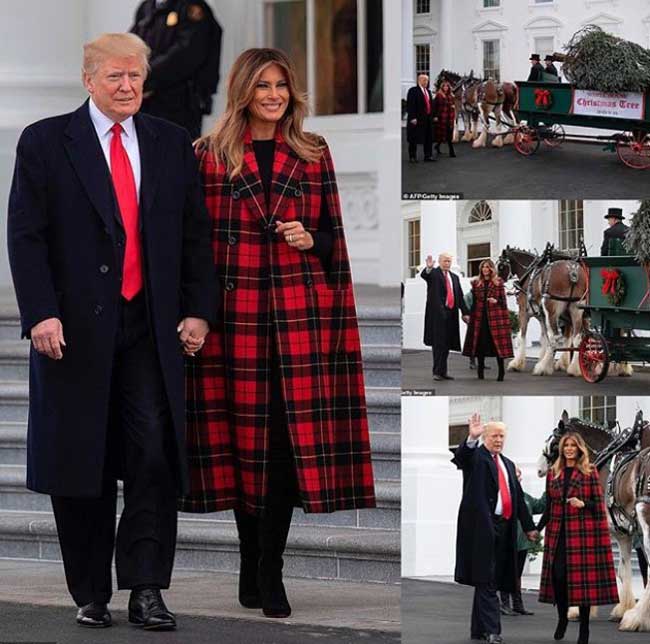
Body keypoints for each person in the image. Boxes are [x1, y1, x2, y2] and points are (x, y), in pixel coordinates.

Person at [7, 33, 217, 630]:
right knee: (84, 462)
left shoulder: (171, 143)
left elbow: (194, 236)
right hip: (70, 332)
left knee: (153, 453)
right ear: (88, 79)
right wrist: (40, 312)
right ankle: (91, 590)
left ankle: (147, 587)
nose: (127, 88)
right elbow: (25, 235)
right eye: (115, 78)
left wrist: (200, 309)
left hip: (150, 328)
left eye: (136, 77)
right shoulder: (47, 141)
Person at [178, 48, 376, 619]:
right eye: (263, 85)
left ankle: (272, 567)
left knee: (286, 450)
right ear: (243, 90)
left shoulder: (313, 154)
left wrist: (307, 239)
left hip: (299, 318)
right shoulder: (208, 156)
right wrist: (193, 313)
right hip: (232, 321)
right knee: (247, 446)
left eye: (282, 86)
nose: (274, 95)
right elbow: (193, 248)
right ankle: (248, 558)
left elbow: (334, 241)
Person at [452, 415, 538, 644]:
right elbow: (462, 458)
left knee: (489, 578)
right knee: (488, 578)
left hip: (506, 527)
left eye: (502, 436)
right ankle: (492, 631)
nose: (498, 440)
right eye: (494, 436)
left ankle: (477, 629)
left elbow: (518, 499)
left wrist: (529, 528)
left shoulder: (508, 464)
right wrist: (471, 437)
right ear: (485, 437)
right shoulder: (476, 457)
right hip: (482, 527)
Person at [537, 433, 618, 644]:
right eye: (566, 445)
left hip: (581, 535)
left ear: (580, 449)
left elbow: (598, 504)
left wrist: (583, 504)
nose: (570, 449)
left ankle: (584, 629)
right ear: (562, 449)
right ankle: (562, 617)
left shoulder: (589, 472)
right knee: (558, 579)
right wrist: (536, 529)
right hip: (557, 534)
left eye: (573, 445)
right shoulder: (553, 473)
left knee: (582, 584)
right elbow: (548, 506)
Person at [131, 0, 223, 139]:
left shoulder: (191, 8)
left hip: (180, 105)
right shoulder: (147, 7)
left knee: (176, 154)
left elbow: (186, 55)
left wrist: (144, 76)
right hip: (146, 102)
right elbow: (130, 43)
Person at [499, 468, 546, 617]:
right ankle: (504, 604)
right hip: (507, 541)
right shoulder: (503, 496)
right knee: (506, 572)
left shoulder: (525, 497)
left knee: (517, 574)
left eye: (519, 474)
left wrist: (549, 490)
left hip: (522, 542)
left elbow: (539, 506)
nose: (518, 477)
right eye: (515, 474)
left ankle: (518, 604)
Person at [421, 253, 470, 381]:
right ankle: (436, 372)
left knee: (447, 344)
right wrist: (429, 268)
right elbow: (425, 275)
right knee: (438, 345)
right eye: (444, 261)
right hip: (437, 315)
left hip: (451, 315)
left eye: (449, 261)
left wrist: (465, 313)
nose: (447, 263)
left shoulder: (454, 277)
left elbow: (459, 295)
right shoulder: (434, 274)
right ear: (439, 261)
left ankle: (443, 372)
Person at [462, 259, 513, 382]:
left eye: (487, 267)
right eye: (483, 267)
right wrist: (467, 314)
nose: (485, 269)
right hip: (479, 318)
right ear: (481, 269)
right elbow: (473, 303)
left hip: (495, 318)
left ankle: (501, 373)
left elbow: (503, 303)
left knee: (497, 346)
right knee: (480, 346)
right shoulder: (476, 283)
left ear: (491, 269)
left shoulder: (498, 282)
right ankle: (480, 373)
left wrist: (496, 301)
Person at [406, 73, 435, 162]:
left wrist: (433, 116)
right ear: (419, 80)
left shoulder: (428, 91)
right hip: (417, 119)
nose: (426, 82)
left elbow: (430, 105)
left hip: (428, 118)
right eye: (424, 80)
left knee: (428, 137)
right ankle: (412, 157)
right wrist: (412, 117)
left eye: (427, 80)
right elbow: (410, 105)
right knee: (414, 138)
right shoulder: (413, 91)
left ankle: (428, 156)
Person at [433, 79, 456, 158]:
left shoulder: (451, 96)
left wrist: (453, 107)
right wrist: (435, 116)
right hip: (442, 117)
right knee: (442, 134)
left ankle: (438, 146)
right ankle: (451, 151)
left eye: (447, 86)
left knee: (449, 134)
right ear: (442, 87)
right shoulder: (439, 95)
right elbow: (435, 106)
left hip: (450, 117)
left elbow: (453, 105)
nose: (446, 87)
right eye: (444, 86)